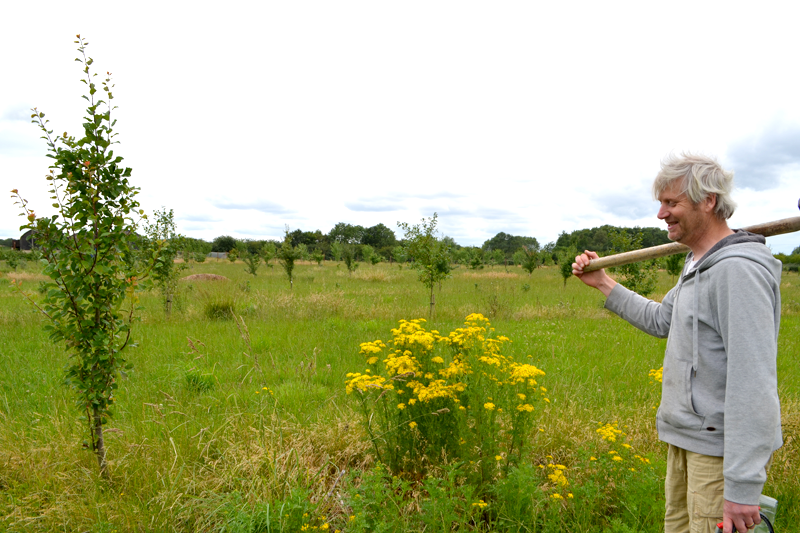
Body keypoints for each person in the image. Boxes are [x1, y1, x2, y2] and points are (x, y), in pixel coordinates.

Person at [572, 153, 782, 533]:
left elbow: (754, 383)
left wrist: (742, 486)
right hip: (686, 441)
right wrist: (603, 283)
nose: (661, 214)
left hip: (717, 454)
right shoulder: (697, 263)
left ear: (708, 201)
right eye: (661, 203)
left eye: (671, 203)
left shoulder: (737, 271)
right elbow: (661, 320)